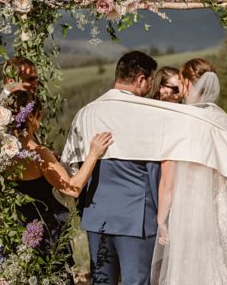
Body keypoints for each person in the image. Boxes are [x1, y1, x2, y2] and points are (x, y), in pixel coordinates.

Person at [151, 59, 227, 285]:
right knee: (221, 267)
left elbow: (169, 181)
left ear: (186, 83)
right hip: (222, 209)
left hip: (190, 209)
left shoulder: (180, 121)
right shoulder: (226, 120)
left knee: (188, 269)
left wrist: (162, 219)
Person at [72, 51, 162, 285]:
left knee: (101, 281)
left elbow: (75, 168)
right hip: (136, 217)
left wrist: (85, 210)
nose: (151, 88)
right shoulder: (150, 114)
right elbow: (156, 170)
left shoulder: (85, 112)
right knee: (137, 281)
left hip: (96, 215)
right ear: (141, 79)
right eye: (151, 81)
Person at [8, 89, 113, 283]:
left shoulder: (1, 154)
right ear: (30, 116)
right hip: (44, 231)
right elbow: (72, 188)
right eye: (39, 116)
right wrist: (93, 154)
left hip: (16, 229)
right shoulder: (38, 153)